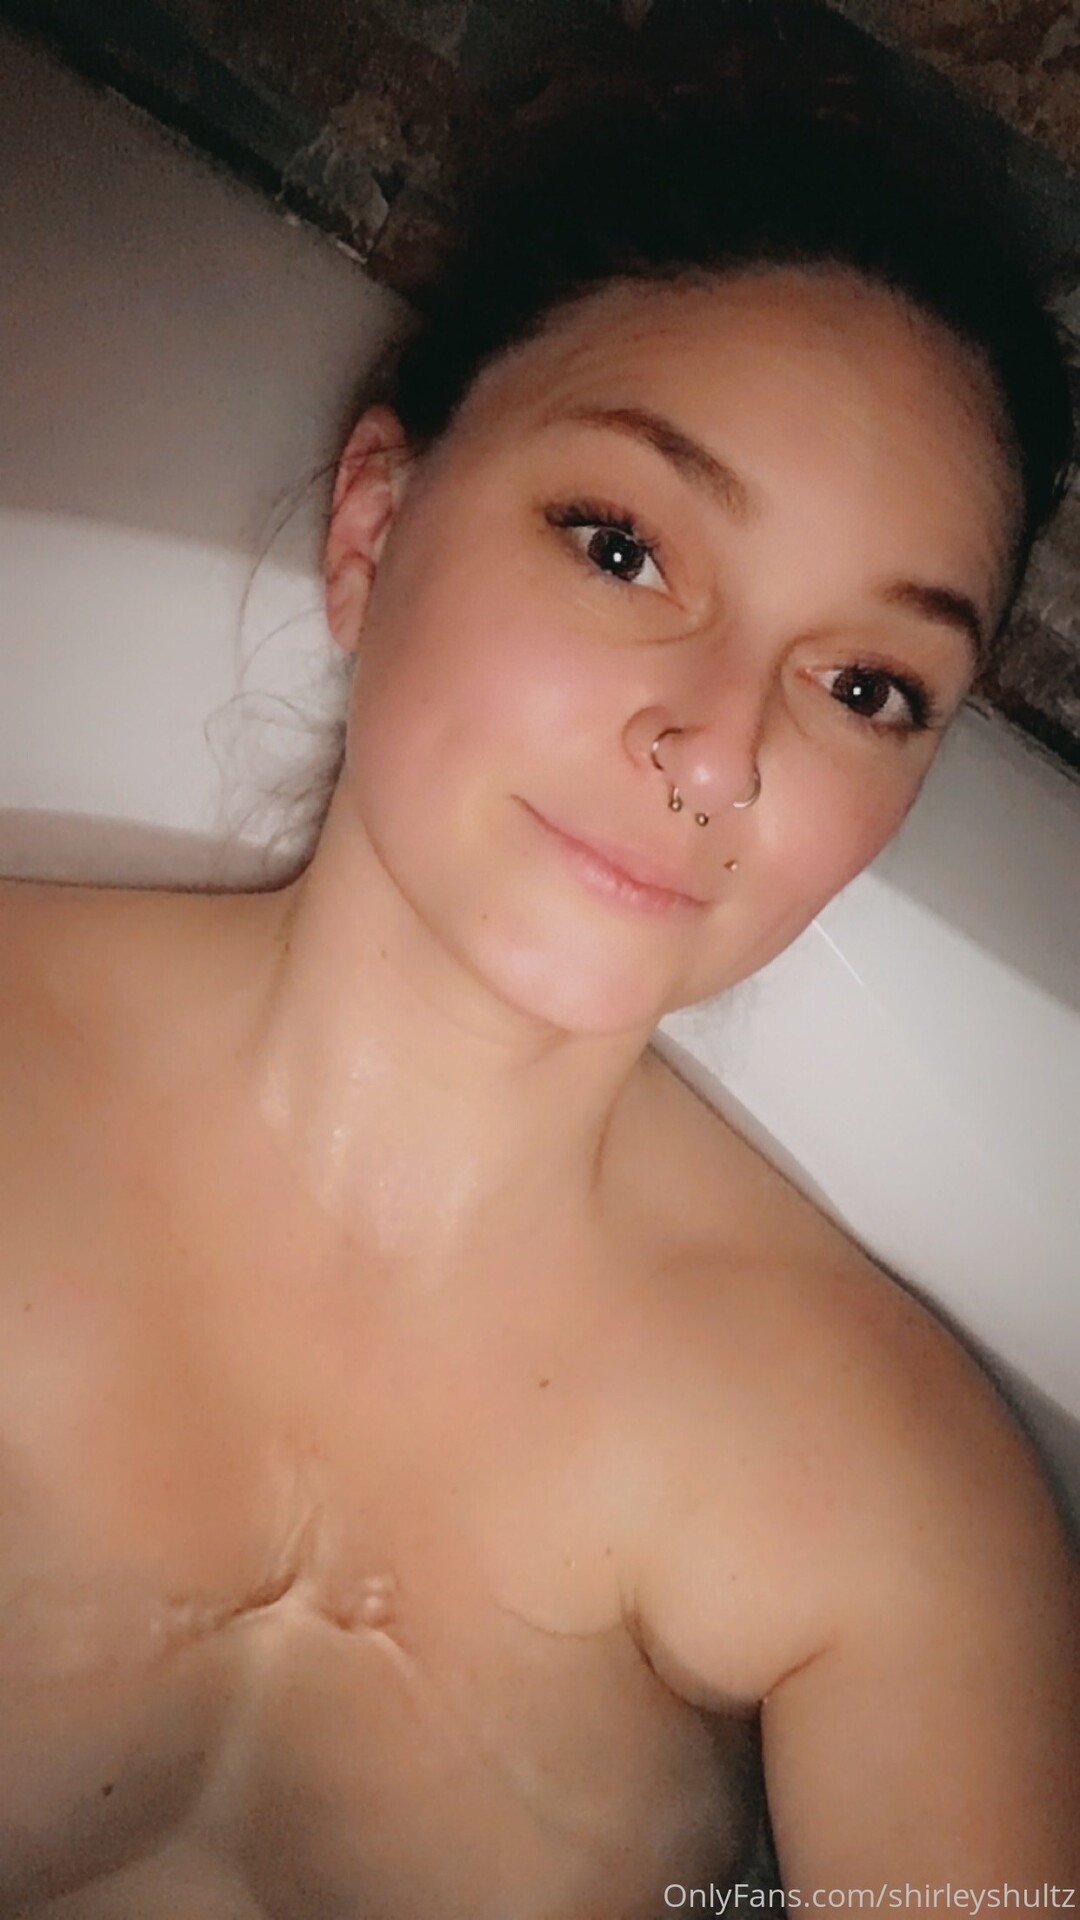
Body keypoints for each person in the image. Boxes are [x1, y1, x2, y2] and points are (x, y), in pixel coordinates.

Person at [1, 8, 1076, 1915]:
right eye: (624, 545)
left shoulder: (898, 1501)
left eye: (864, 685)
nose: (721, 750)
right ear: (372, 527)